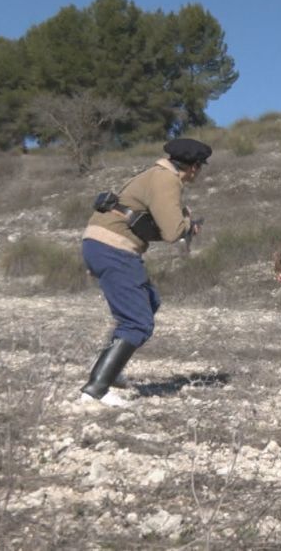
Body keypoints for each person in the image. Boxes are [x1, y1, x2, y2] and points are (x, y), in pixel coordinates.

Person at [77, 137, 211, 406]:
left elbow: (146, 224)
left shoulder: (155, 174)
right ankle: (96, 389)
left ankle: (111, 369)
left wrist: (182, 222)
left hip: (102, 245)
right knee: (137, 321)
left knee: (149, 301)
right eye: (200, 167)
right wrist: (187, 222)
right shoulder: (167, 180)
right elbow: (173, 232)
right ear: (194, 166)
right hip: (114, 248)